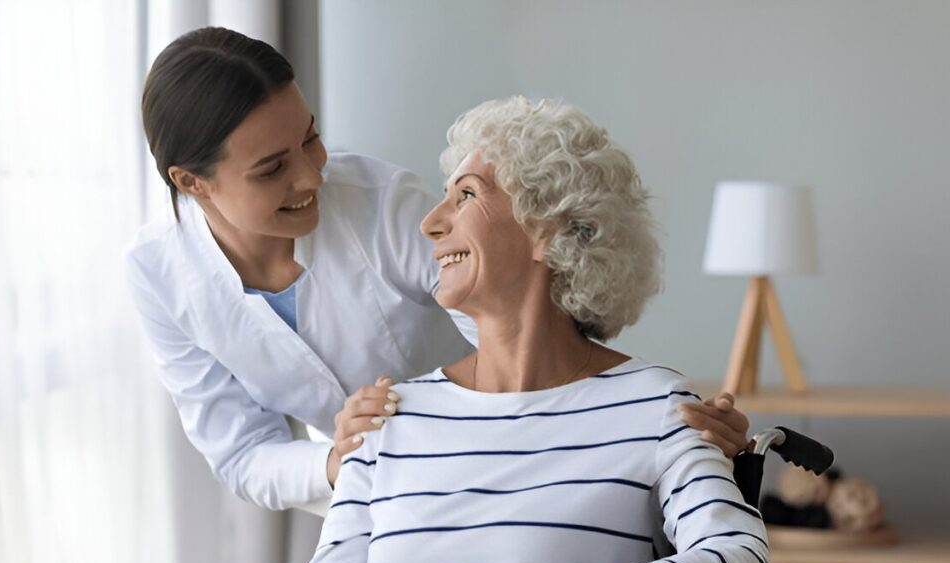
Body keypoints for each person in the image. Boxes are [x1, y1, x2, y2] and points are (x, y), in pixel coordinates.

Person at [238, 97, 771, 563]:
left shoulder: (655, 409)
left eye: (466, 195)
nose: (431, 221)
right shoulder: (391, 422)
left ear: (550, 227)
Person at [126, 27, 751, 517]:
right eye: (272, 169)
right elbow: (242, 455)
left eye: (311, 140)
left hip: (518, 459)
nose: (313, 177)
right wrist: (337, 462)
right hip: (377, 505)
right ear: (191, 182)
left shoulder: (377, 201)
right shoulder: (159, 275)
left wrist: (652, 423)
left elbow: (516, 328)